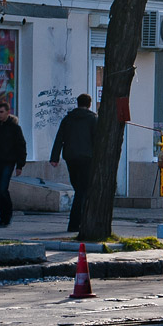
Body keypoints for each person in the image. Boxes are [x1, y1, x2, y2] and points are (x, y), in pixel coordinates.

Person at [50, 93, 97, 233]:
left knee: (79, 189)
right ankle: (75, 223)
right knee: (82, 191)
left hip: (70, 158)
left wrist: (54, 157)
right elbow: (96, 140)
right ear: (89, 104)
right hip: (87, 158)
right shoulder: (93, 119)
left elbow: (59, 138)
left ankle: (79, 221)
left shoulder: (68, 119)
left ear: (77, 103)